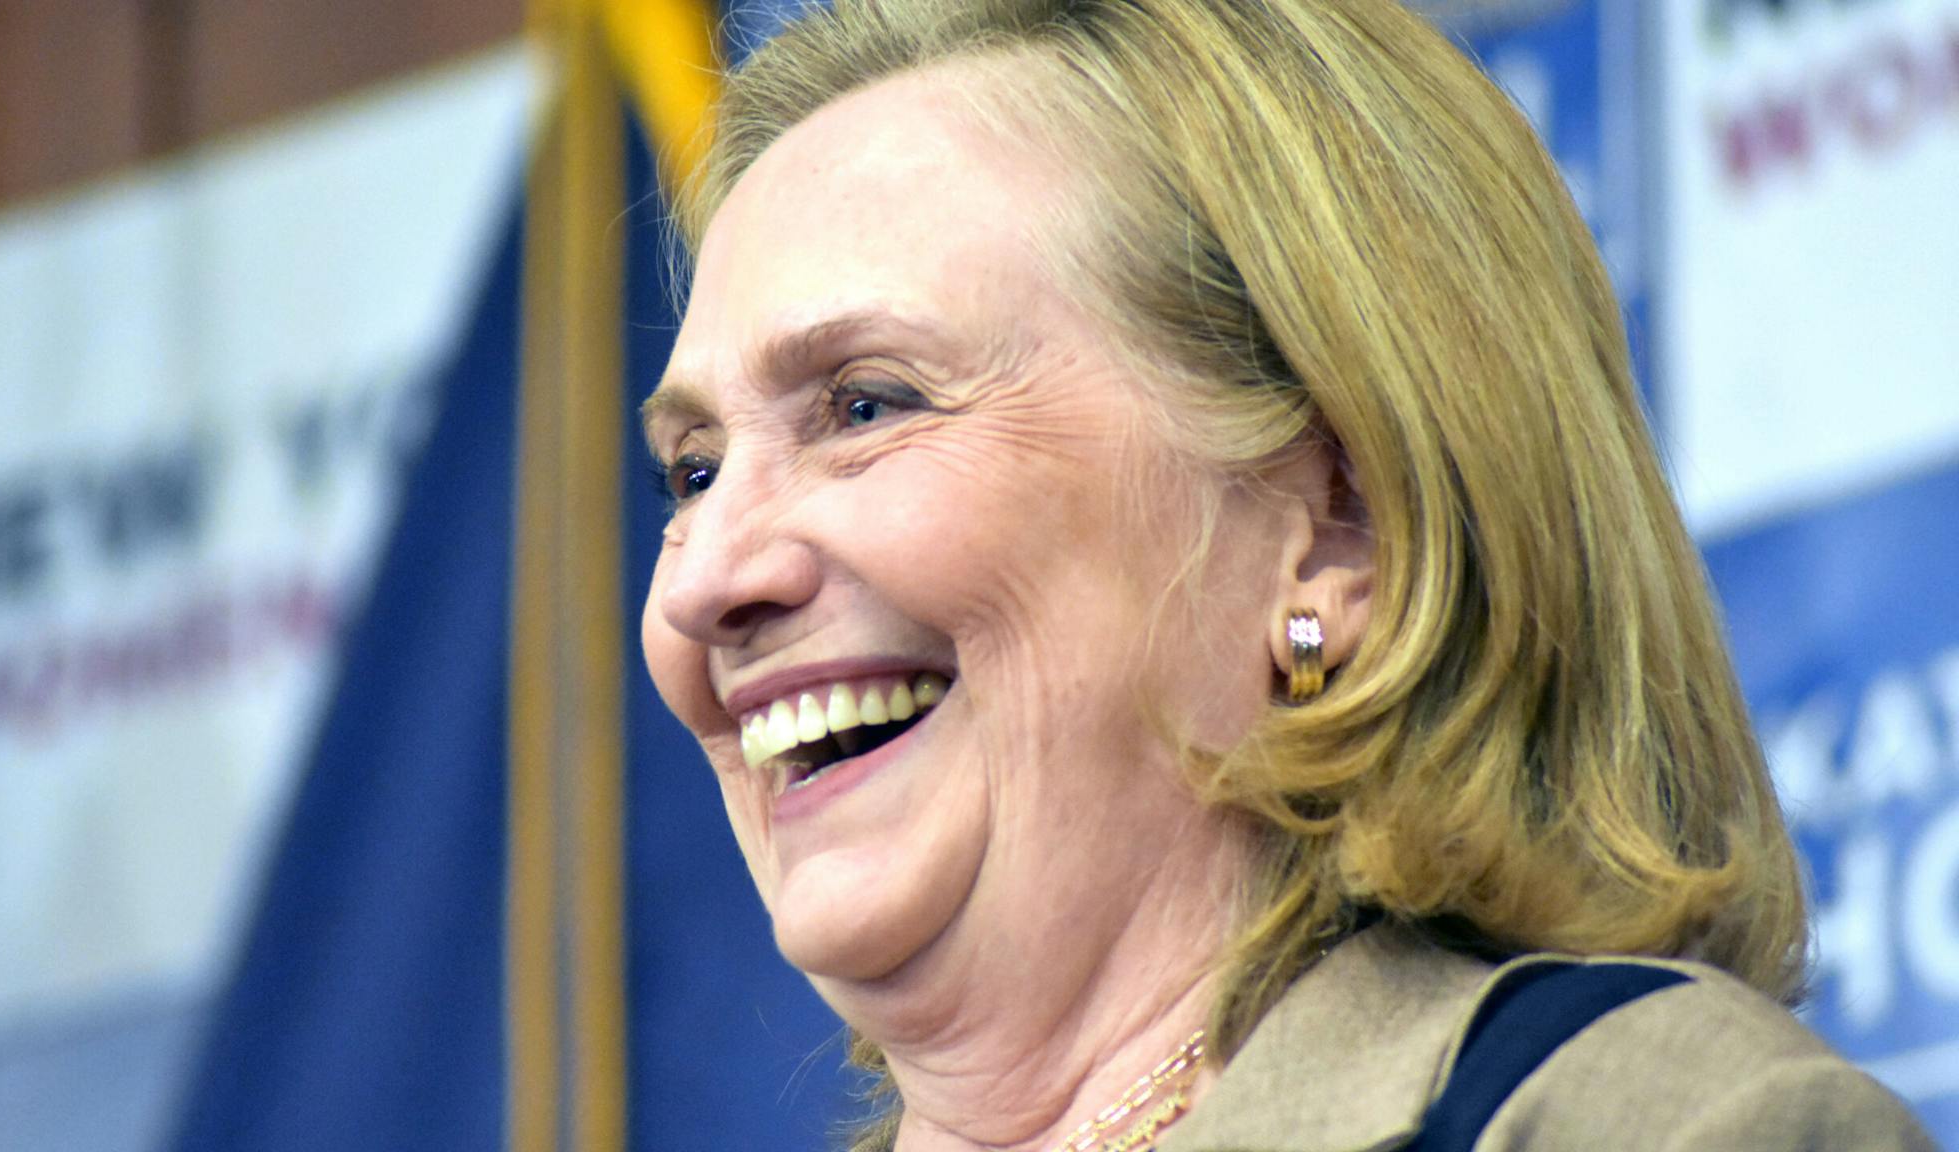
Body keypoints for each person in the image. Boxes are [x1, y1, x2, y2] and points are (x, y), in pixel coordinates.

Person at [637, 1, 1936, 1149]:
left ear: (1335, 527)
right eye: (691, 473)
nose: (705, 588)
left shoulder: (1665, 1130)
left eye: (866, 405)